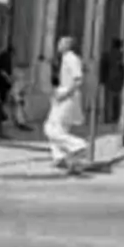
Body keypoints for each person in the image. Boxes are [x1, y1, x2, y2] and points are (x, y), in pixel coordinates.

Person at [44, 36, 88, 173]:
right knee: (60, 127)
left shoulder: (70, 58)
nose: (59, 45)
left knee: (50, 127)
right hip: (65, 93)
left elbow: (78, 80)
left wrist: (65, 94)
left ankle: (78, 145)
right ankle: (60, 158)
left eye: (61, 43)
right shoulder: (65, 58)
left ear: (68, 45)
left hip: (67, 95)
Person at [99, 38, 124, 124]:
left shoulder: (106, 54)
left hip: (108, 79)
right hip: (118, 80)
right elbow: (123, 68)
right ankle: (116, 117)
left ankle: (107, 118)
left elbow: (103, 67)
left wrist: (101, 79)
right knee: (116, 99)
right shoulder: (122, 56)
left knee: (108, 99)